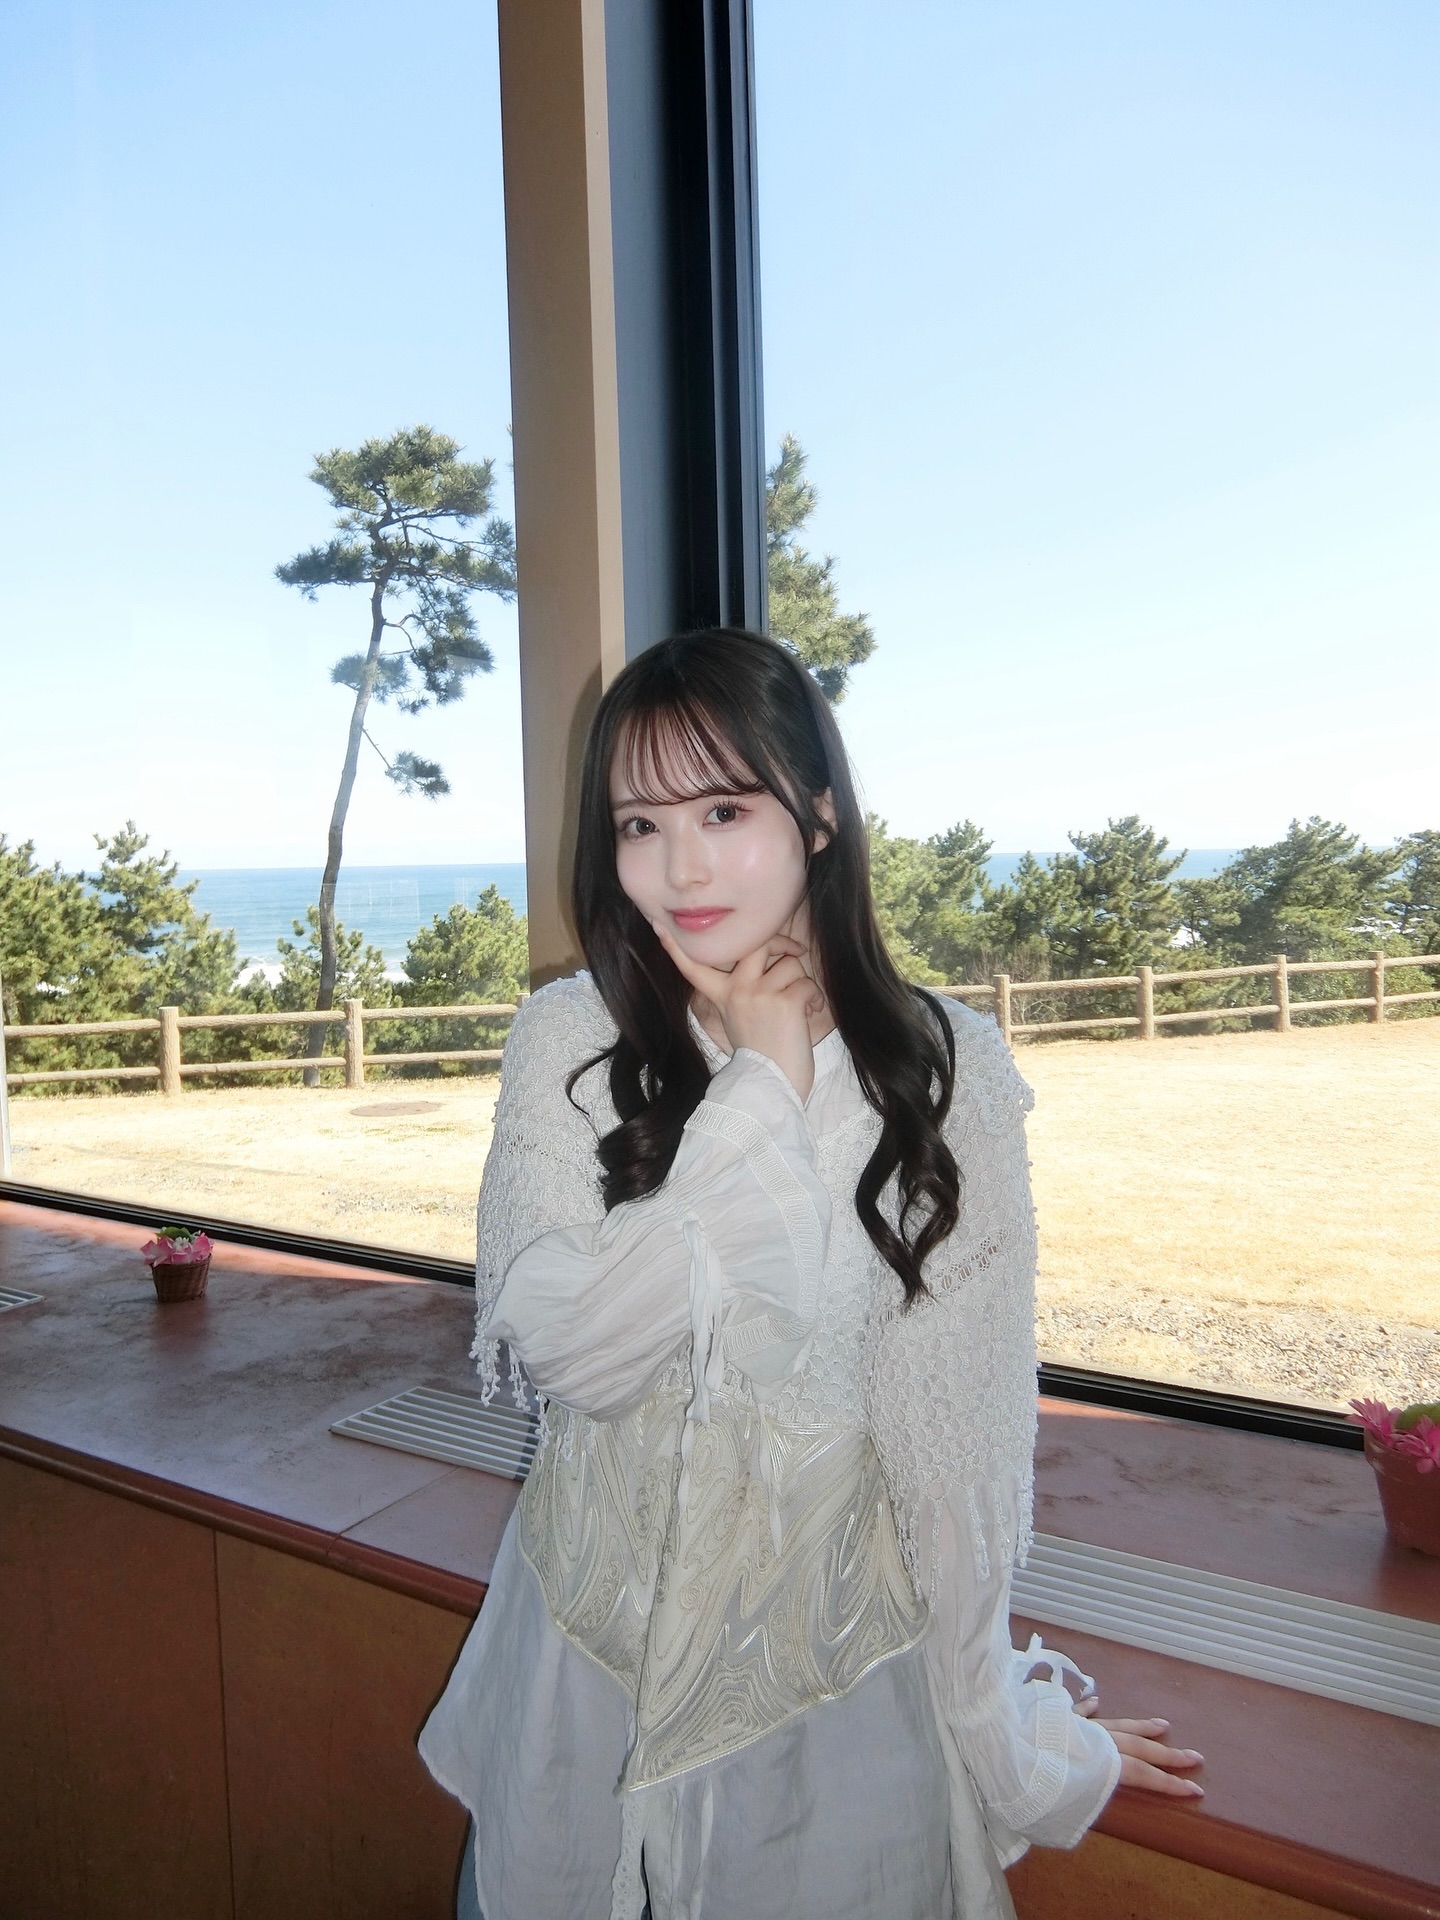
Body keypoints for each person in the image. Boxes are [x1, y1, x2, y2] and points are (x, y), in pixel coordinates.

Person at [418, 629, 1203, 1920]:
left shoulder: (948, 1073)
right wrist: (760, 1092)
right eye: (640, 823)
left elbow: (953, 1453)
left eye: (725, 810)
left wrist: (999, 1740)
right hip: (575, 1701)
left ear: (821, 816)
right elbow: (574, 1355)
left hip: (826, 1728)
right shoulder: (568, 1037)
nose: (681, 866)